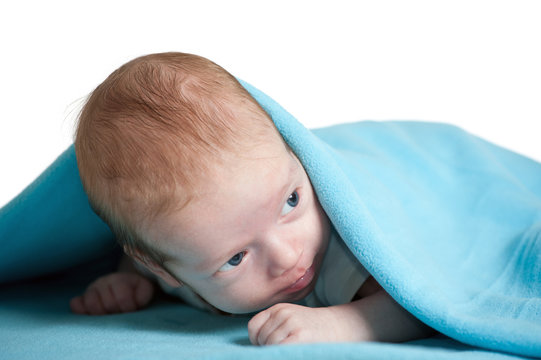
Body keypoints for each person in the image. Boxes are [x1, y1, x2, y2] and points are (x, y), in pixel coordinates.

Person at [70, 52, 433, 345]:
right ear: (161, 267)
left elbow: (419, 306)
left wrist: (341, 325)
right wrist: (129, 281)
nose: (289, 256)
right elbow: (140, 256)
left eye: (291, 201)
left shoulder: (340, 253)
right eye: (236, 258)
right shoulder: (173, 251)